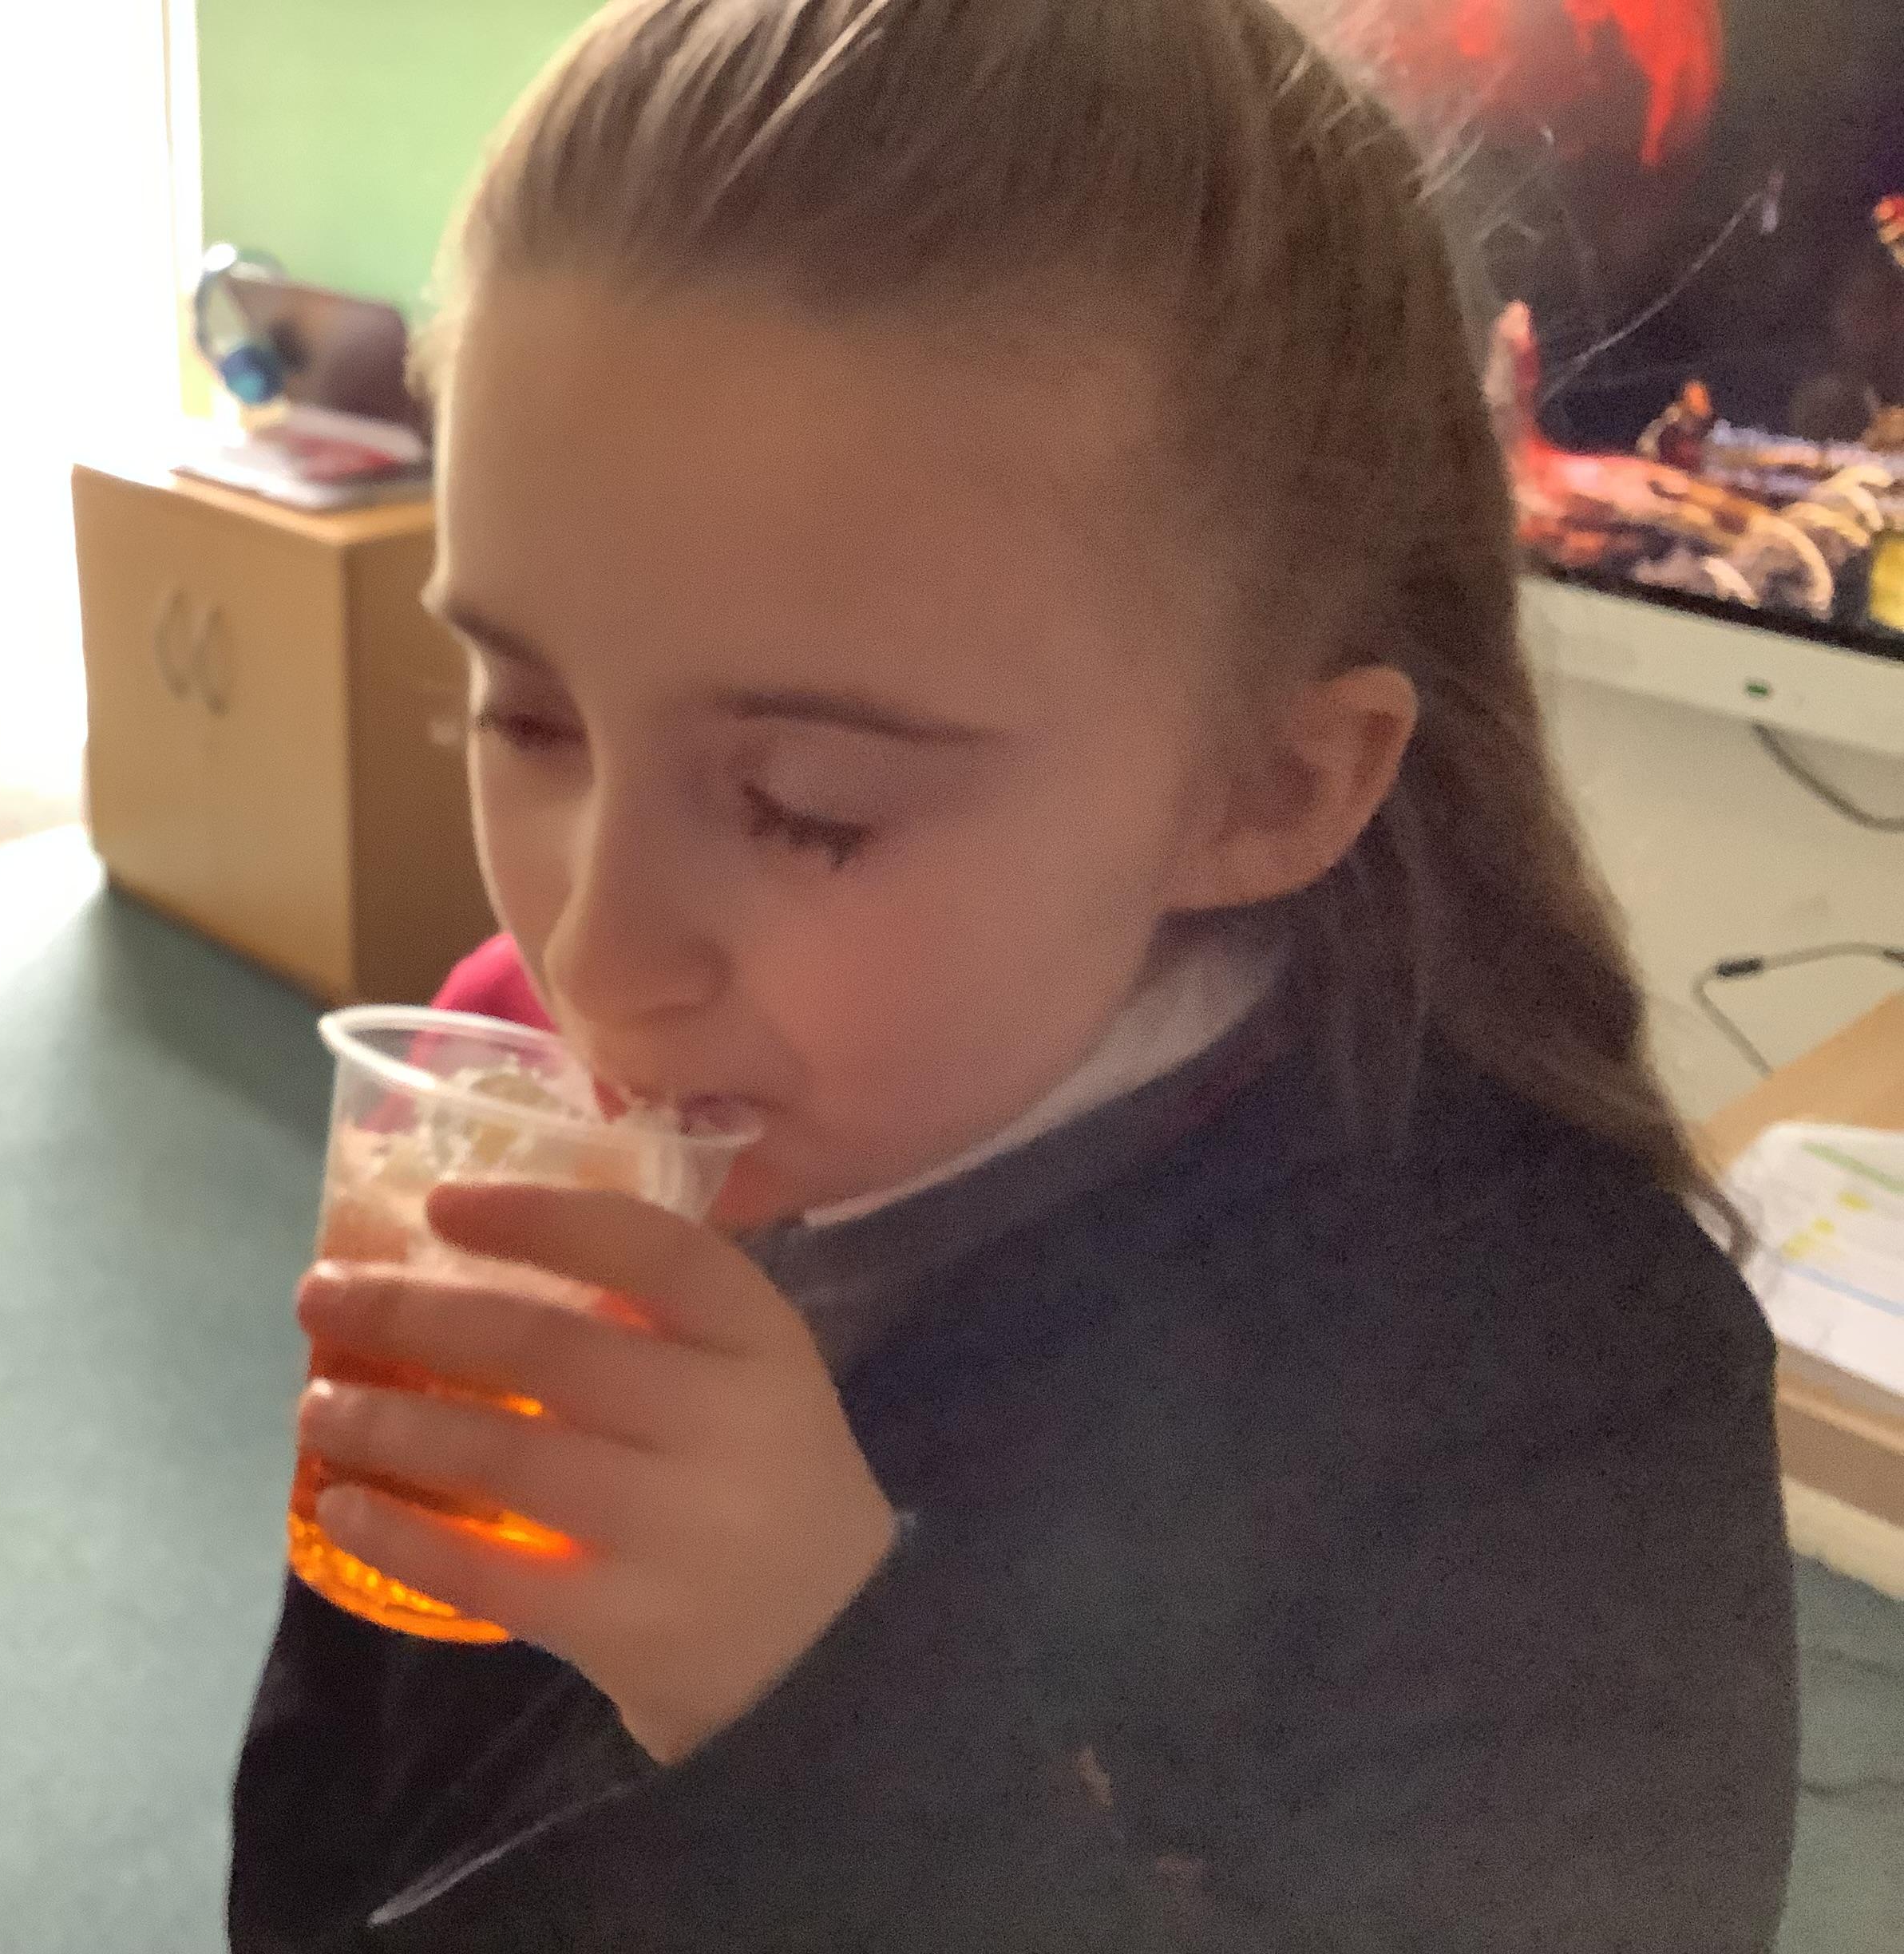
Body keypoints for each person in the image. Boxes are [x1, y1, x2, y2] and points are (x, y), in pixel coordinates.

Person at [227, 1, 1798, 1948]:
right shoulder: (502, 1072)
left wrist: (827, 1723)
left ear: (1269, 787)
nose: (590, 956)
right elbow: (338, 1807)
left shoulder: (1562, 1404)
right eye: (527, 718)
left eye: (805, 809)